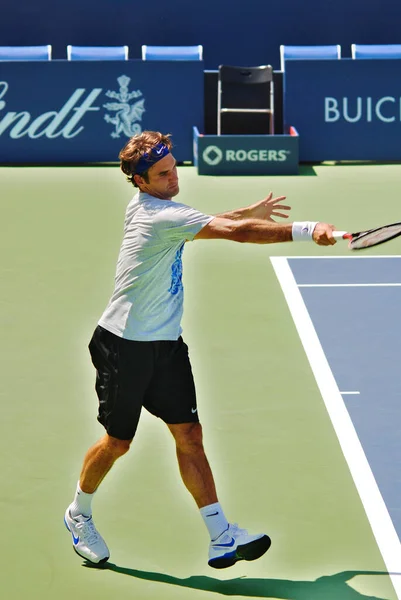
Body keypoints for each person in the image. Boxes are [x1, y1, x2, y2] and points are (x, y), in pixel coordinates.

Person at [64, 131, 336, 569]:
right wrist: (307, 230)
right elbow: (235, 234)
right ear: (140, 181)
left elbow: (208, 222)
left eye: (174, 168)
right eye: (163, 174)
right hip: (123, 346)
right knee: (118, 443)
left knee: (189, 437)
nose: (174, 178)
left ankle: (220, 534)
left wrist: (247, 212)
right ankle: (79, 514)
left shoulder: (163, 208)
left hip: (166, 345)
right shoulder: (153, 216)